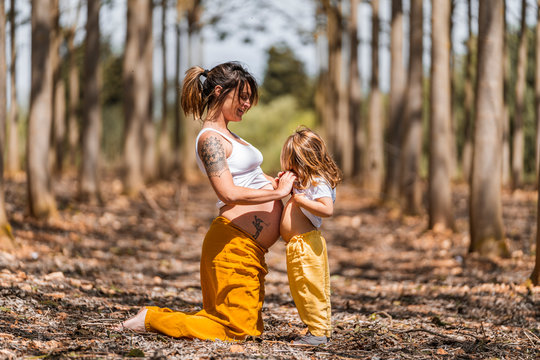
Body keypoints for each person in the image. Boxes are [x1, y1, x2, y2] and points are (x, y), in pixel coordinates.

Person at [117, 62, 296, 341]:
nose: (247, 104)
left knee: (240, 327)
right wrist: (277, 194)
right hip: (232, 246)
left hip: (246, 250)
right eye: (242, 95)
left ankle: (155, 316)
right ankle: (152, 318)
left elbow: (250, 180)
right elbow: (228, 192)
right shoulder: (210, 139)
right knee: (239, 332)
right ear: (219, 91)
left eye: (250, 97)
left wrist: (278, 181)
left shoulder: (232, 137)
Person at [279, 126, 342, 346]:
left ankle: (318, 333)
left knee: (311, 288)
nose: (288, 167)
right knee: (303, 289)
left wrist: (300, 200)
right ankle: (316, 329)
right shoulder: (306, 182)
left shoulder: (318, 181)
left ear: (304, 161)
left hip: (307, 245)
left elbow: (327, 209)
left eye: (290, 163)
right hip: (299, 245)